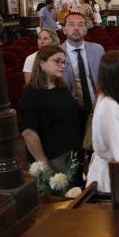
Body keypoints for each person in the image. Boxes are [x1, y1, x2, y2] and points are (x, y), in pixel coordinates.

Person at [20, 46, 81, 174]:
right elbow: (29, 133)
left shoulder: (61, 87)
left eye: (64, 62)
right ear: (42, 63)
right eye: (57, 61)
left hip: (72, 151)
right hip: (53, 157)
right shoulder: (31, 94)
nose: (62, 65)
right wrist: (44, 166)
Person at [86, 51, 119, 193]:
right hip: (112, 179)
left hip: (111, 172)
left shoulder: (114, 97)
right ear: (115, 77)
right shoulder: (111, 107)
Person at [60, 12, 105, 148]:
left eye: (80, 25)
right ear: (64, 30)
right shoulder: (56, 53)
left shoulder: (98, 49)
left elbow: (105, 78)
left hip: (96, 106)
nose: (76, 28)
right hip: (69, 110)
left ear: (86, 29)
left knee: (97, 149)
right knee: (75, 150)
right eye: (71, 25)